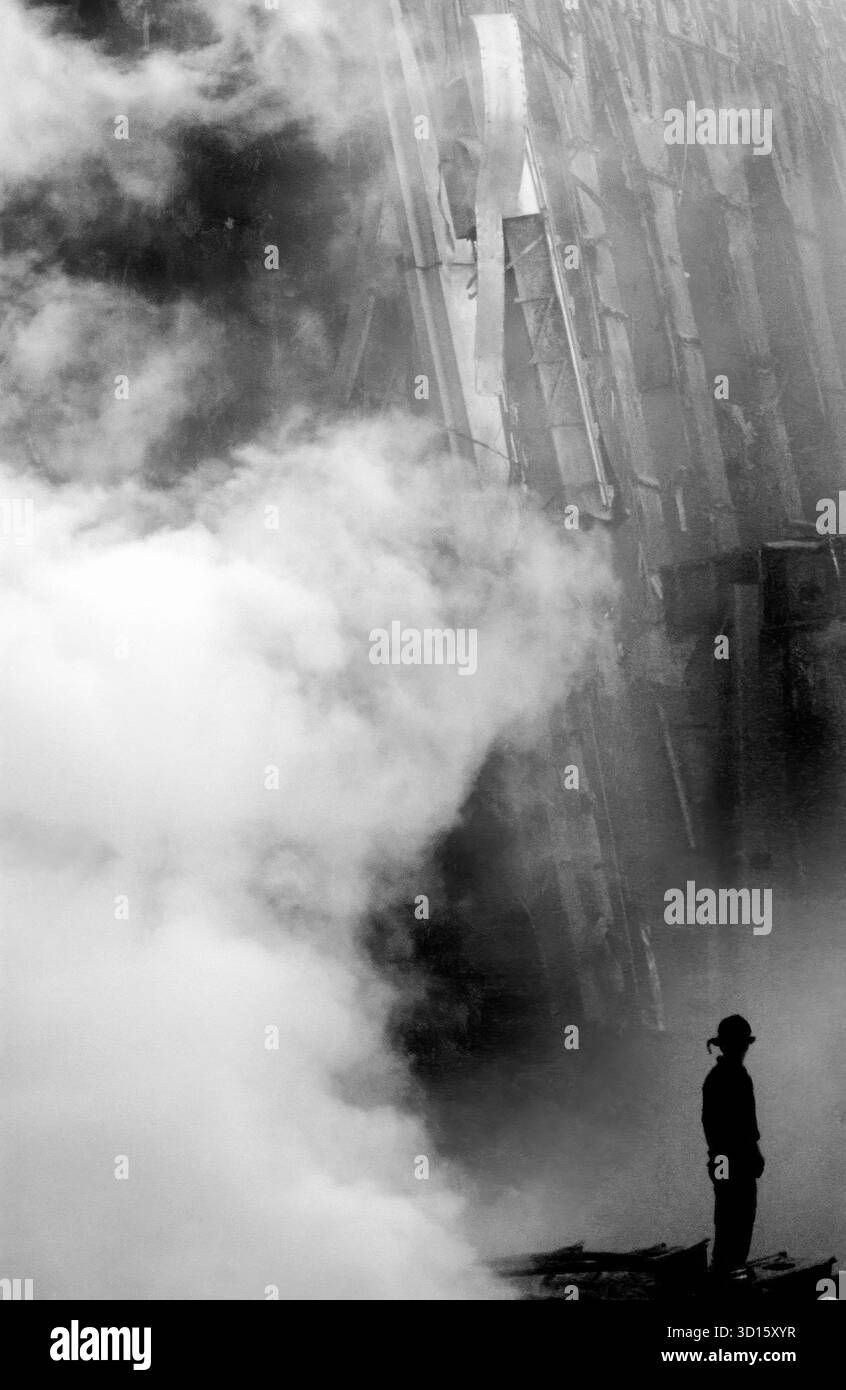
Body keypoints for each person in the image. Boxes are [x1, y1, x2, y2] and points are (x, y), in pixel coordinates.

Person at [702, 1015, 765, 1275]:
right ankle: (726, 1278)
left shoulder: (720, 1076)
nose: (743, 1049)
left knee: (729, 1219)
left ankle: (724, 1274)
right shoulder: (732, 1076)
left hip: (722, 1160)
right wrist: (751, 1155)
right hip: (733, 1161)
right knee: (736, 1220)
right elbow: (741, 1127)